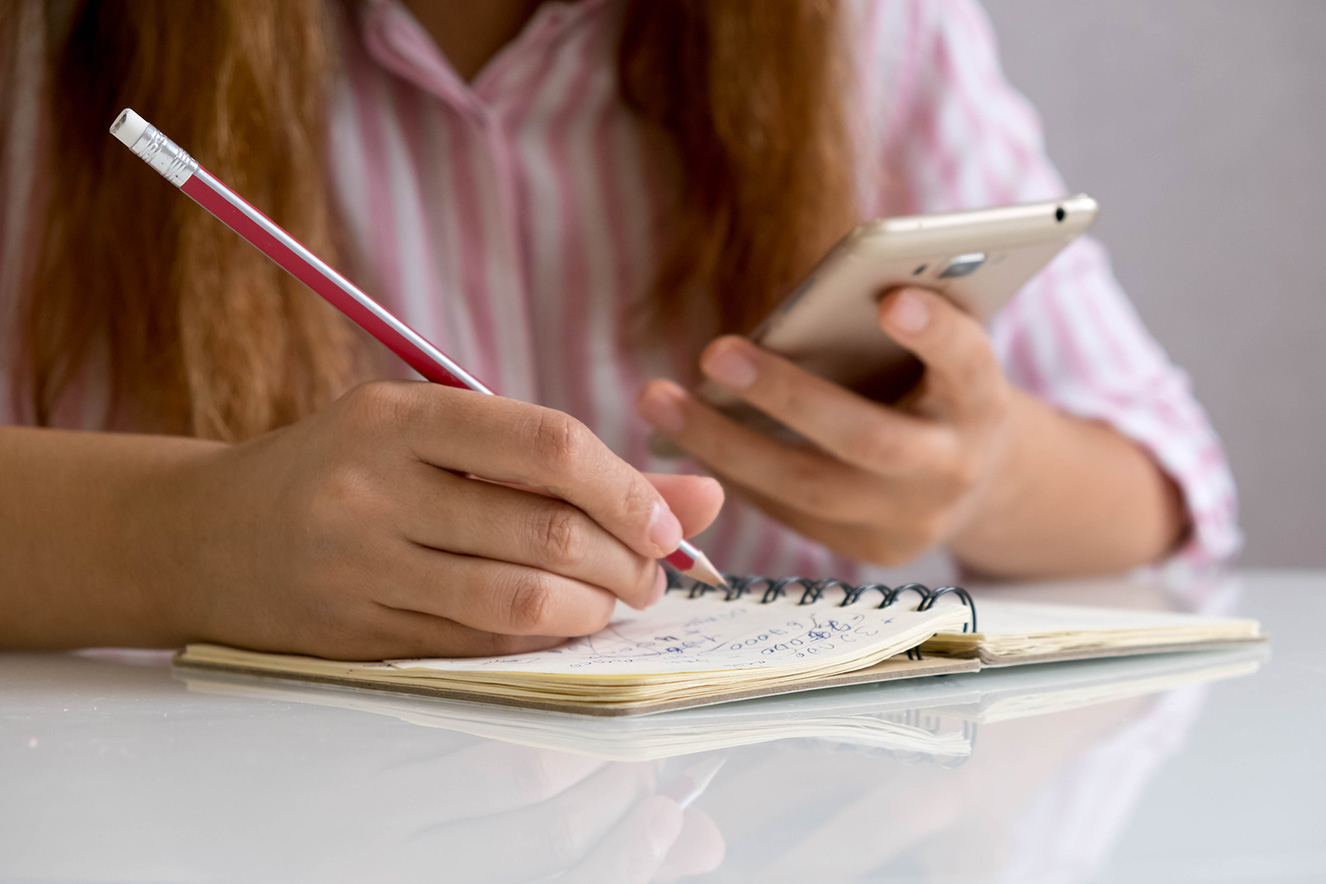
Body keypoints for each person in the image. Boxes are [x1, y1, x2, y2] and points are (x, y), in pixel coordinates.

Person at [0, 0, 1238, 658]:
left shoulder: (869, 26)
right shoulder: (48, 47)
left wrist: (974, 474)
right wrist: (196, 538)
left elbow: (1168, 488)